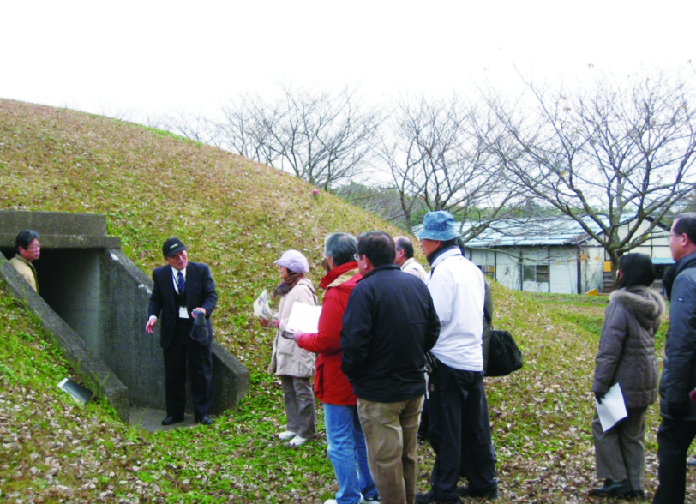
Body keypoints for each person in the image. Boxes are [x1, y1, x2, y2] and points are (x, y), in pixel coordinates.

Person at [341, 231, 441, 504]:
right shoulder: (415, 284)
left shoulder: (364, 289)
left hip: (379, 393)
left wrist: (355, 373)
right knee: (408, 456)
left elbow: (353, 344)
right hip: (413, 386)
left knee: (385, 462)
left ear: (364, 260)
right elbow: (433, 329)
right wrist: (412, 353)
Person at [415, 211, 498, 504]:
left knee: (444, 428)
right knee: (474, 425)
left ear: (435, 241)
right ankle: (483, 480)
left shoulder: (444, 271)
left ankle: (444, 489)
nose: (421, 245)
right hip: (473, 358)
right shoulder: (471, 268)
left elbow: (436, 317)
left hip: (448, 360)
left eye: (423, 238)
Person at [291, 233, 380, 504]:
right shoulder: (367, 281)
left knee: (339, 440)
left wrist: (299, 337)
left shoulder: (338, 290)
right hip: (366, 373)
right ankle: (371, 491)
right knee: (361, 437)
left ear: (331, 258)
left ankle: (348, 497)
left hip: (338, 375)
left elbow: (327, 340)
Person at [589, 254, 664, 499]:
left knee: (603, 426)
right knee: (633, 433)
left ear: (625, 274)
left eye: (620, 269)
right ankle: (636, 485)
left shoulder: (619, 305)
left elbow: (609, 350)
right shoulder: (651, 305)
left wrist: (600, 384)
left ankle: (618, 479)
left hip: (622, 380)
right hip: (646, 377)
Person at [146, 238, 218, 426]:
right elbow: (156, 300)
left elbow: (211, 295)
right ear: (167, 259)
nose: (180, 258)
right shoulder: (160, 274)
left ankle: (202, 413)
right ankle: (174, 413)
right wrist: (153, 316)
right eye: (175, 256)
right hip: (173, 329)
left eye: (182, 253)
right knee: (173, 373)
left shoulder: (200, 270)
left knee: (201, 371)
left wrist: (204, 309)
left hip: (197, 328)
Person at [652, 214, 696, 504]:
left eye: (669, 235)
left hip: (689, 390)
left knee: (672, 448)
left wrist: (676, 395)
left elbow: (682, 341)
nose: (668, 241)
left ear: (683, 239)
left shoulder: (687, 279)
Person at [260, 249, 317, 447]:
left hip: (298, 347)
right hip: (286, 346)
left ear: (292, 269)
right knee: (289, 389)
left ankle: (306, 430)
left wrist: (280, 324)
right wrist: (269, 318)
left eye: (282, 266)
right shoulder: (288, 288)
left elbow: (306, 320)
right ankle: (293, 426)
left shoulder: (301, 289)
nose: (279, 269)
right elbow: (286, 317)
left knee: (301, 389)